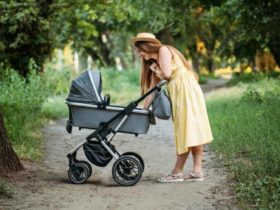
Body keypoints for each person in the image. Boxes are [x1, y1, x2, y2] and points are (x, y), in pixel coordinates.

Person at [131, 32, 213, 183]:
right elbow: (152, 89)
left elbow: (167, 74)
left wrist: (155, 69)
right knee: (191, 129)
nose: (139, 53)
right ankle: (197, 171)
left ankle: (177, 173)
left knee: (186, 130)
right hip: (183, 92)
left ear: (146, 46)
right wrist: (143, 109)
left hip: (185, 92)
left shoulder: (163, 51)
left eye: (139, 49)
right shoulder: (156, 63)